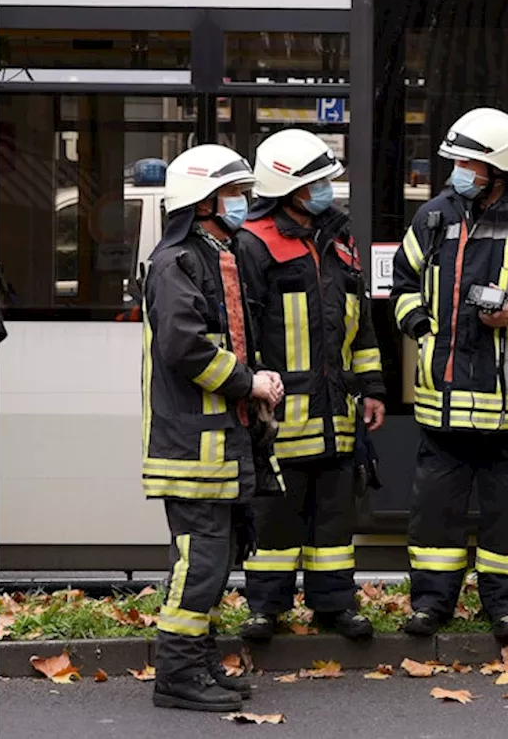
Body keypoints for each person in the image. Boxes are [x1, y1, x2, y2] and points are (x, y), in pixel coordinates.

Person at [390, 107, 508, 646]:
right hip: (442, 403)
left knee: (507, 518)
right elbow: (404, 280)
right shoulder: (433, 217)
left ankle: (505, 609)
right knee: (435, 516)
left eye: (466, 162)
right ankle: (431, 604)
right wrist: (417, 322)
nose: (456, 169)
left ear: (497, 168)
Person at [141, 144, 284, 711]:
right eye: (233, 194)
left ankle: (197, 664)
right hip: (191, 448)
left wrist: (253, 384)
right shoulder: (178, 262)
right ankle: (176, 677)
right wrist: (249, 383)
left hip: (220, 444)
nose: (243, 203)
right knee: (199, 565)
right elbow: (185, 347)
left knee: (214, 564)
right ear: (203, 202)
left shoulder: (213, 252)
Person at [235, 129, 386, 642]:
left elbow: (359, 323)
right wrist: (252, 392)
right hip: (280, 418)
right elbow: (245, 331)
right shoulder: (253, 244)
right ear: (290, 188)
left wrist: (372, 388)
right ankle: (266, 610)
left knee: (334, 526)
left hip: (338, 414)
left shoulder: (339, 240)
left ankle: (334, 608)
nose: (328, 188)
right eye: (318, 181)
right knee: (276, 519)